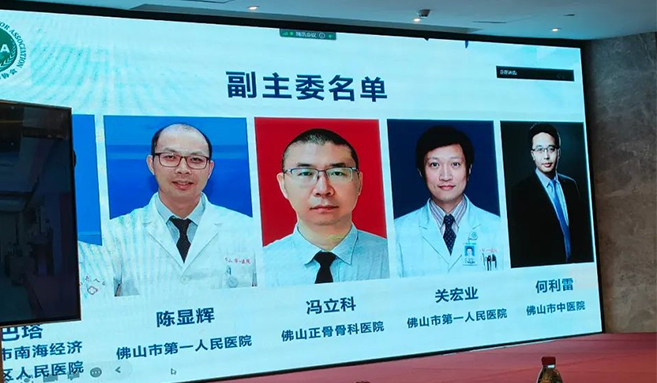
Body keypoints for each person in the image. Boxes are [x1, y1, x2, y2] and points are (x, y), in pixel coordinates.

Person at [105, 123, 256, 296]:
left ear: (210, 169)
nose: (183, 169)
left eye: (196, 160)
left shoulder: (247, 230)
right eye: (170, 157)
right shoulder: (115, 234)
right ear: (151, 164)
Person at [263, 128, 388, 286]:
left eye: (337, 173)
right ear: (283, 185)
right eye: (305, 173)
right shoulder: (262, 264)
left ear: (359, 183)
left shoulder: (392, 255)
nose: (323, 190)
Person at [395, 125, 506, 276]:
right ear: (421, 172)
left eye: (455, 164)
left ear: (469, 169)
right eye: (434, 165)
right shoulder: (398, 231)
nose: (445, 176)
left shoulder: (498, 227)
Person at [507, 123, 592, 267]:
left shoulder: (571, 185)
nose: (546, 156)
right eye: (540, 150)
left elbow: (581, 233)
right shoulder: (520, 192)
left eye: (551, 149)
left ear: (559, 152)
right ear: (532, 154)